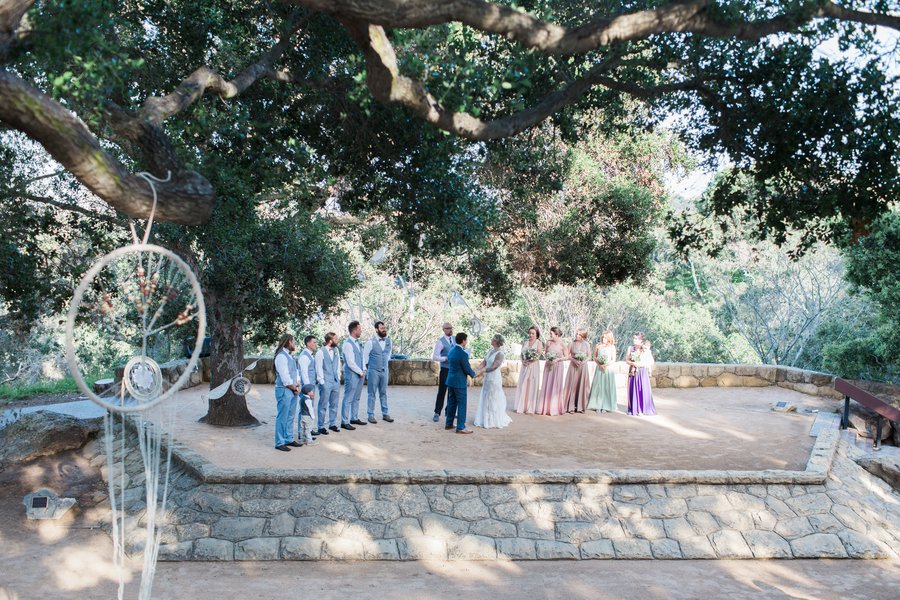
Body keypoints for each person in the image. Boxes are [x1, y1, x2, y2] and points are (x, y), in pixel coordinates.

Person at [445, 332, 481, 434]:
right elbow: (467, 369)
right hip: (459, 382)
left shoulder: (451, 351)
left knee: (451, 402)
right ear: (464, 341)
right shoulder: (463, 354)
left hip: (450, 381)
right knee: (462, 404)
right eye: (466, 340)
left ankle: (449, 423)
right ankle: (460, 427)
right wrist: (474, 374)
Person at [474, 334, 511, 429]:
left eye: (493, 339)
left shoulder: (500, 354)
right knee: (486, 396)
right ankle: (485, 418)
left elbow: (494, 367)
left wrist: (482, 371)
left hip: (494, 378)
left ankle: (492, 420)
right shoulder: (490, 351)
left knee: (493, 397)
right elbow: (484, 362)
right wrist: (476, 369)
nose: (491, 339)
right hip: (487, 378)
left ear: (496, 341)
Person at [273, 334, 301, 451]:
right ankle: (279, 442)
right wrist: (294, 388)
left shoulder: (290, 356)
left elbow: (295, 372)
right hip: (285, 390)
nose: (294, 344)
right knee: (282, 416)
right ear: (289, 342)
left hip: (293, 389)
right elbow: (285, 378)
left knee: (290, 416)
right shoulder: (281, 357)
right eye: (293, 341)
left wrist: (298, 385)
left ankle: (288, 438)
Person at [363, 321, 394, 424]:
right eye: (381, 328)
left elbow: (388, 355)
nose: (384, 329)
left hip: (385, 370)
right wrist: (366, 370)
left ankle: (385, 414)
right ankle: (370, 415)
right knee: (371, 393)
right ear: (376, 329)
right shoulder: (370, 342)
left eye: (384, 327)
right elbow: (365, 358)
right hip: (373, 371)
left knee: (383, 393)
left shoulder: (389, 341)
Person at [340, 320, 367, 431]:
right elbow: (350, 362)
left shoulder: (359, 342)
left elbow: (362, 357)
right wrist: (360, 372)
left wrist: (364, 369)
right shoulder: (347, 344)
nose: (361, 331)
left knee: (356, 397)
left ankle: (354, 417)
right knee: (348, 397)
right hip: (352, 374)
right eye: (359, 329)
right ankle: (344, 421)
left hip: (360, 374)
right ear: (354, 330)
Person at [314, 332, 341, 436]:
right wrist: (322, 382)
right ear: (330, 340)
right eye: (336, 339)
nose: (337, 340)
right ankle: (320, 426)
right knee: (323, 404)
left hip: (335, 381)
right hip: (325, 381)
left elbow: (338, 363)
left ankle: (332, 423)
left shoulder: (336, 350)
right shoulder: (320, 352)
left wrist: (338, 377)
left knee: (334, 403)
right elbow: (319, 368)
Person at [538, 326, 569, 416]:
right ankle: (545, 407)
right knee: (547, 384)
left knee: (556, 385)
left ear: (557, 334)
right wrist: (549, 359)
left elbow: (567, 356)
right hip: (548, 366)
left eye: (551, 333)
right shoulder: (548, 342)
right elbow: (546, 353)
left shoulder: (562, 344)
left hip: (558, 366)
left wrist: (557, 359)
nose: (550, 335)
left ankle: (555, 408)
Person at [626, 332, 657, 416]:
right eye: (634, 338)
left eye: (636, 339)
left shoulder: (645, 349)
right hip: (633, 370)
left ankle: (642, 409)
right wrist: (633, 364)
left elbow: (651, 361)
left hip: (642, 371)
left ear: (641, 340)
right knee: (633, 389)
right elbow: (627, 360)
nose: (634, 340)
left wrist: (641, 364)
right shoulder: (630, 348)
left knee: (642, 389)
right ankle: (634, 408)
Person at [514, 325, 543, 414]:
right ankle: (522, 406)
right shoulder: (525, 342)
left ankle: (530, 407)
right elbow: (521, 354)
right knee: (523, 384)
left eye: (533, 333)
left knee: (532, 385)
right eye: (530, 333)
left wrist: (531, 361)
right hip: (525, 366)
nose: (530, 335)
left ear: (536, 334)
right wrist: (523, 361)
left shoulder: (538, 343)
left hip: (533, 366)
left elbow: (538, 354)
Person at [562, 328, 592, 413]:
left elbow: (589, 356)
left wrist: (583, 362)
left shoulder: (587, 344)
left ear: (583, 336)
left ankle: (581, 406)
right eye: (577, 334)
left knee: (582, 385)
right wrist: (574, 360)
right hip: (573, 366)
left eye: (579, 334)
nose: (577, 336)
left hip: (583, 367)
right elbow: (567, 355)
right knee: (572, 385)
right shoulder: (572, 343)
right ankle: (570, 406)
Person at [587, 330, 618, 413]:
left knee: (606, 387)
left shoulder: (612, 347)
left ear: (609, 338)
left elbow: (613, 359)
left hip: (608, 369)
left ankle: (606, 405)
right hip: (599, 368)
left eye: (605, 337)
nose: (603, 338)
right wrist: (599, 364)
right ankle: (597, 405)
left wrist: (605, 365)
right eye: (603, 337)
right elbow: (595, 356)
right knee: (598, 386)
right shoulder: (598, 346)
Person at [431, 322, 456, 422]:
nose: (450, 330)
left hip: (454, 369)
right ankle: (437, 412)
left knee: (452, 392)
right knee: (442, 391)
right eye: (448, 328)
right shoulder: (440, 342)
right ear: (444, 330)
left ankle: (449, 411)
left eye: (451, 328)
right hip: (445, 369)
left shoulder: (455, 339)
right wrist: (445, 358)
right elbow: (434, 357)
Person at [297, 335, 317, 438]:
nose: (316, 344)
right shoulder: (304, 356)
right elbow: (304, 374)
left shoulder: (310, 355)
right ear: (308, 343)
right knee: (304, 410)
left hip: (310, 386)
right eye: (314, 342)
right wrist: (309, 390)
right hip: (306, 388)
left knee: (309, 409)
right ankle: (302, 433)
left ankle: (308, 430)